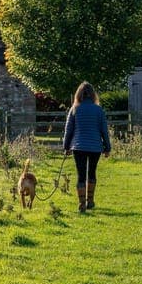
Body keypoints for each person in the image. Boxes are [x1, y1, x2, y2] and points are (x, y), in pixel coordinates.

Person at [62, 81, 111, 213]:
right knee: (92, 173)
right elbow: (104, 131)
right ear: (93, 94)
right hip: (95, 146)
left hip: (79, 147)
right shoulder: (98, 110)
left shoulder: (74, 109)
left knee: (81, 175)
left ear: (79, 94)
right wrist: (107, 148)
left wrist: (66, 147)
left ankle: (81, 203)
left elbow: (68, 130)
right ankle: (90, 201)